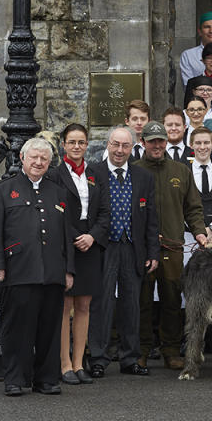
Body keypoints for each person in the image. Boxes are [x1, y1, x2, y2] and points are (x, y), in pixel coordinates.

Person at [0, 138, 74, 396]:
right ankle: (15, 379)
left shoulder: (58, 192)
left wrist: (69, 269)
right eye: (33, 157)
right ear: (22, 159)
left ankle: (46, 379)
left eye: (43, 159)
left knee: (49, 329)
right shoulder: (3, 190)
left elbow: (67, 234)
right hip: (18, 270)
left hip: (52, 271)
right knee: (17, 329)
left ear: (49, 162)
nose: (38, 162)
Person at [87, 125, 159, 378]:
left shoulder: (143, 177)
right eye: (115, 144)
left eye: (125, 145)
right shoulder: (93, 173)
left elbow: (151, 218)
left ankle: (130, 358)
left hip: (132, 247)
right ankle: (98, 358)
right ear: (108, 144)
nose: (120, 150)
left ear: (133, 147)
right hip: (103, 247)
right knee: (102, 303)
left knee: (132, 305)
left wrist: (152, 252)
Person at [134, 121, 207, 371]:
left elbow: (193, 208)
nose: (157, 145)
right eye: (152, 140)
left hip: (173, 247)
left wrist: (199, 232)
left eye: (161, 140)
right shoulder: (134, 170)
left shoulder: (181, 171)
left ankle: (171, 350)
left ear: (167, 142)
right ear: (143, 142)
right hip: (142, 248)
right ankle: (141, 350)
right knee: (142, 300)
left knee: (172, 300)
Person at [52, 124, 111, 386]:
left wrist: (93, 236)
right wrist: (76, 235)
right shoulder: (55, 175)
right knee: (65, 305)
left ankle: (78, 363)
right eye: (72, 142)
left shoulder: (96, 173)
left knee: (85, 305)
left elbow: (105, 212)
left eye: (82, 142)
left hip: (90, 244)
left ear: (87, 145)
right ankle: (63, 363)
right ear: (63, 144)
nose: (77, 146)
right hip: (66, 243)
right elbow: (55, 211)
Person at [182, 97, 212, 167]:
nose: (196, 113)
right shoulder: (181, 137)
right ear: (186, 112)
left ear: (205, 111)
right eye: (191, 110)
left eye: (200, 109)